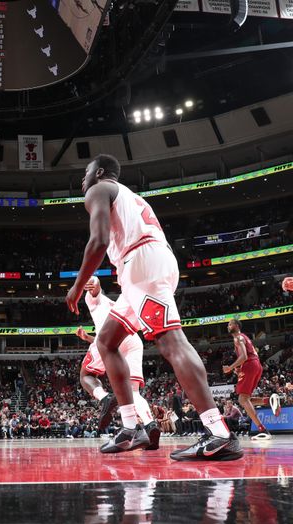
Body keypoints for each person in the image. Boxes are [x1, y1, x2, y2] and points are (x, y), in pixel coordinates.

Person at [65, 154, 242, 461]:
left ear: (101, 172)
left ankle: (219, 433)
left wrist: (77, 286)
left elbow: (98, 241)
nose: (83, 179)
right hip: (148, 262)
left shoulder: (99, 189)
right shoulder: (132, 198)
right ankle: (132, 426)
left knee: (172, 343)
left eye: (86, 172)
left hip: (141, 264)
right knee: (106, 342)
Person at [75, 276, 160, 450]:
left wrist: (92, 280)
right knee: (133, 391)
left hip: (108, 339)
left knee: (86, 374)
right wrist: (87, 338)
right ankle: (150, 425)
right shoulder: (118, 304)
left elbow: (95, 285)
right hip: (133, 340)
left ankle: (105, 397)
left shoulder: (96, 301)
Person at [223, 319, 270, 440]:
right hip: (256, 365)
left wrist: (230, 368)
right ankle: (269, 401)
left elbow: (244, 356)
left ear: (237, 326)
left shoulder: (238, 337)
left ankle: (262, 429)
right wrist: (240, 369)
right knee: (245, 399)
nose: (228, 326)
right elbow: (251, 355)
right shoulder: (244, 337)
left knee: (242, 399)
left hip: (250, 365)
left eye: (230, 324)